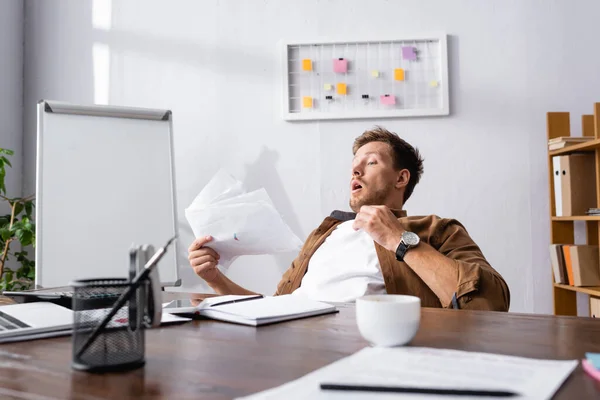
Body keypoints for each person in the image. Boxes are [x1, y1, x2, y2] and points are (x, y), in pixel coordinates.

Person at [188, 127, 510, 311]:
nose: (355, 170)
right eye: (354, 164)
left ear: (401, 179)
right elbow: (275, 311)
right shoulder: (325, 234)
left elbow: (489, 303)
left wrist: (398, 239)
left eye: (370, 162)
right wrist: (216, 278)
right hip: (297, 349)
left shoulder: (435, 230)